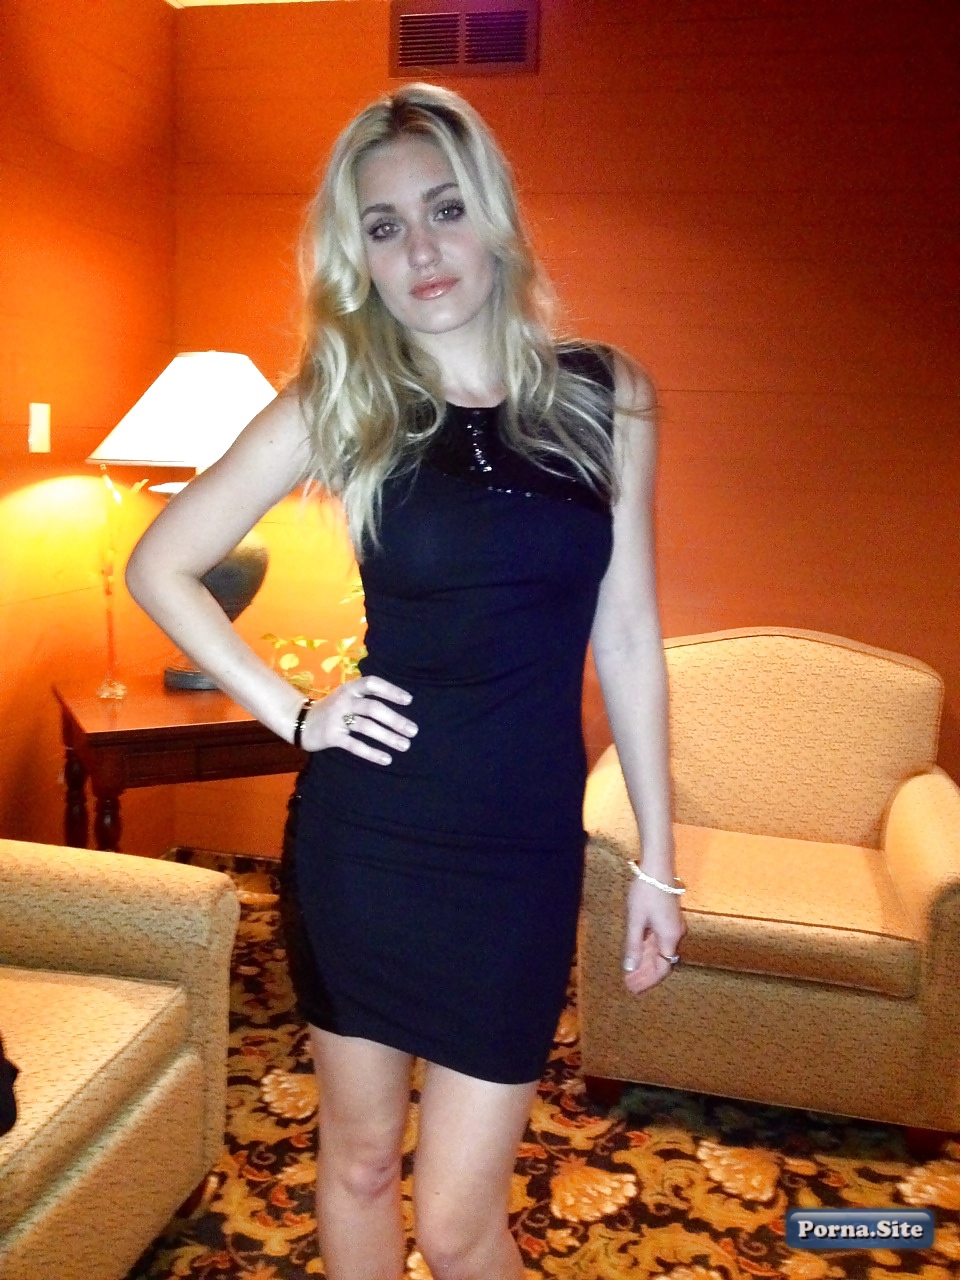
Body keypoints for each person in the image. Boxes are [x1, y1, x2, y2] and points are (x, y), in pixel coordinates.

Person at [126, 82, 684, 1280]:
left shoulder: (608, 396)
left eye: (445, 208)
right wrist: (294, 711)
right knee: (362, 1162)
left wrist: (658, 857)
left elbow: (630, 633)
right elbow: (161, 561)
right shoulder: (344, 402)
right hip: (368, 843)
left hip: (520, 857)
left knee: (464, 1224)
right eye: (384, 226)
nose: (421, 250)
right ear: (359, 257)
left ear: (495, 215)